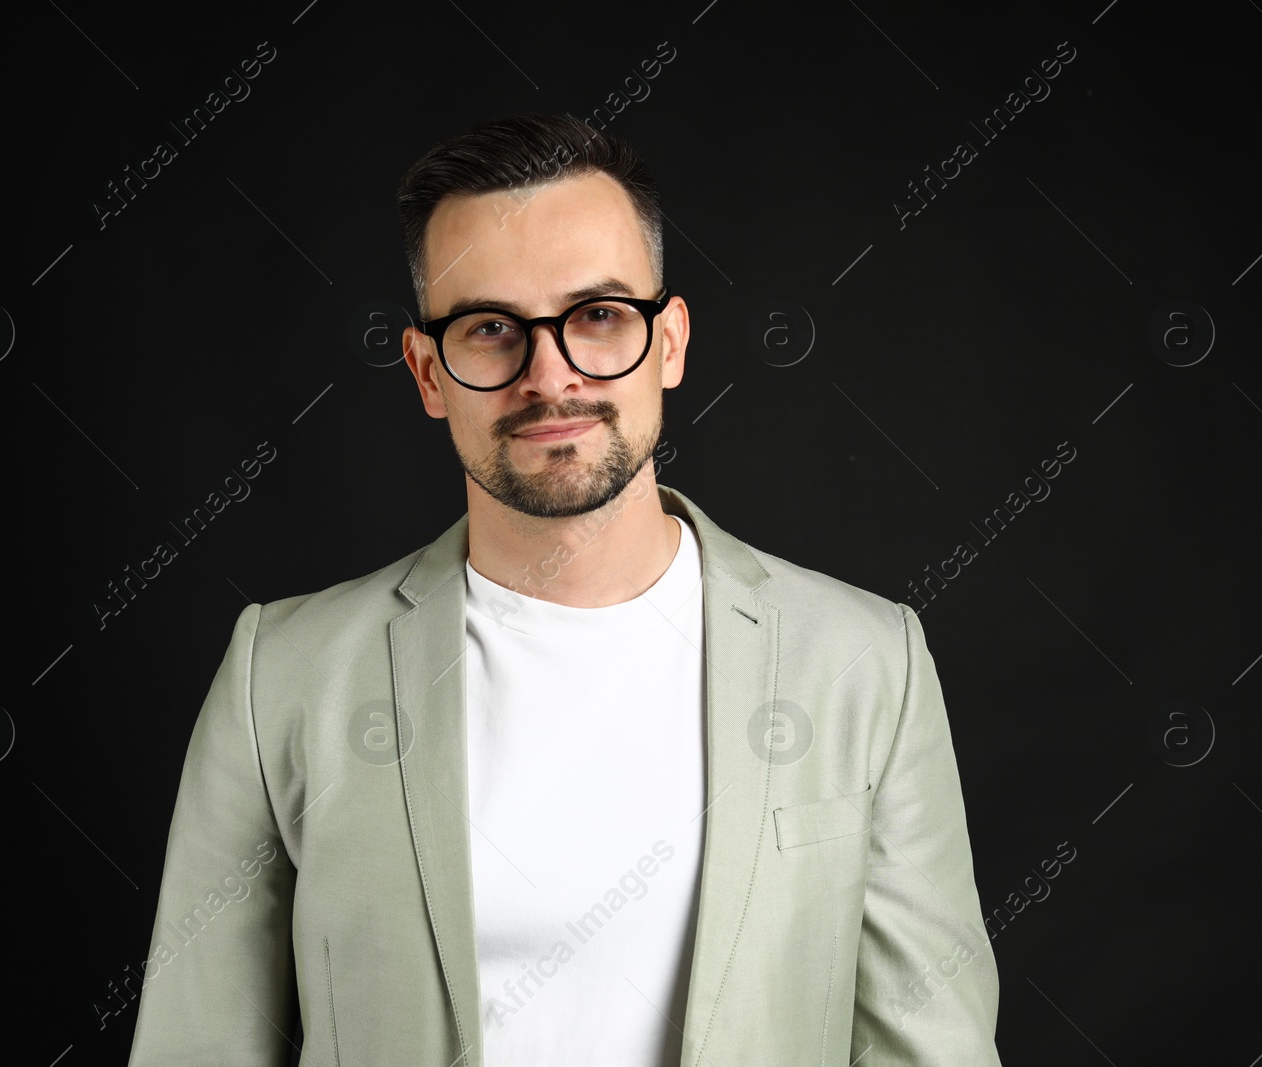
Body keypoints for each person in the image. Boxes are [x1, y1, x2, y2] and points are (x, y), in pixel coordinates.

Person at [125, 113, 1001, 1066]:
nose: (551, 377)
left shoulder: (868, 663)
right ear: (428, 372)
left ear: (668, 342)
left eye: (597, 316)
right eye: (492, 328)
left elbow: (934, 1050)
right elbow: (194, 1046)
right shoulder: (281, 678)